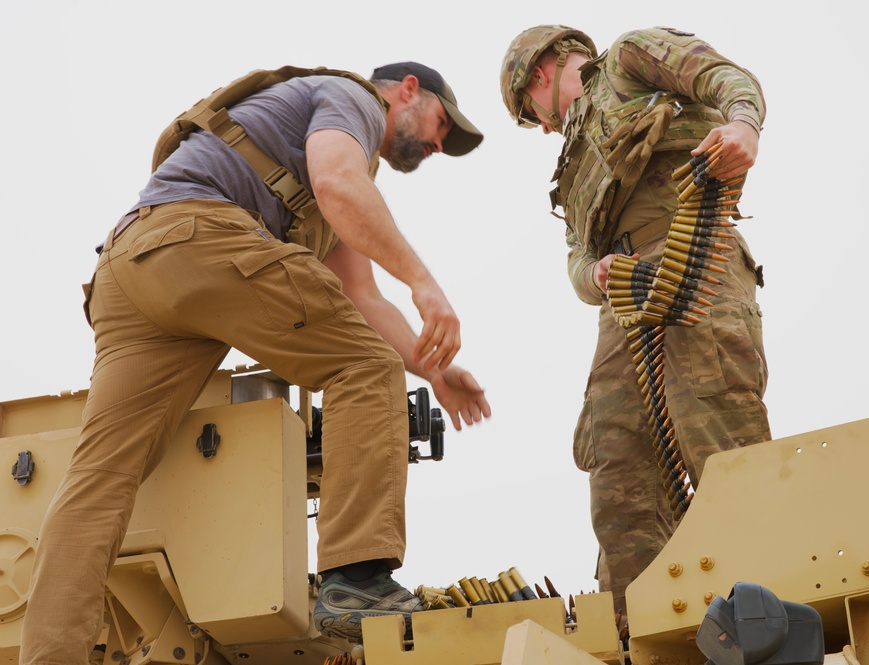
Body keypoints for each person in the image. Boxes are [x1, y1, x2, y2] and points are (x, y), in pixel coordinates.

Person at [19, 61, 492, 664]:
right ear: (408, 91)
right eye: (442, 125)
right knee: (367, 369)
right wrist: (427, 286)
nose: (436, 144)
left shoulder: (328, 172)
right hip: (200, 239)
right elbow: (338, 186)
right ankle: (357, 579)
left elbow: (361, 296)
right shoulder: (352, 101)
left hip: (132, 266)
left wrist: (433, 371)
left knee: (99, 479)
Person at [500, 26, 771, 621]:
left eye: (531, 114)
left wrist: (743, 126)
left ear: (539, 73)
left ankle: (767, 612)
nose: (543, 127)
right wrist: (595, 274)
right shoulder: (570, 169)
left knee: (715, 427)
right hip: (623, 302)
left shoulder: (627, 61)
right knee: (616, 457)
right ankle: (648, 628)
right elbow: (574, 258)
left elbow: (725, 79)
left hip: (693, 251)